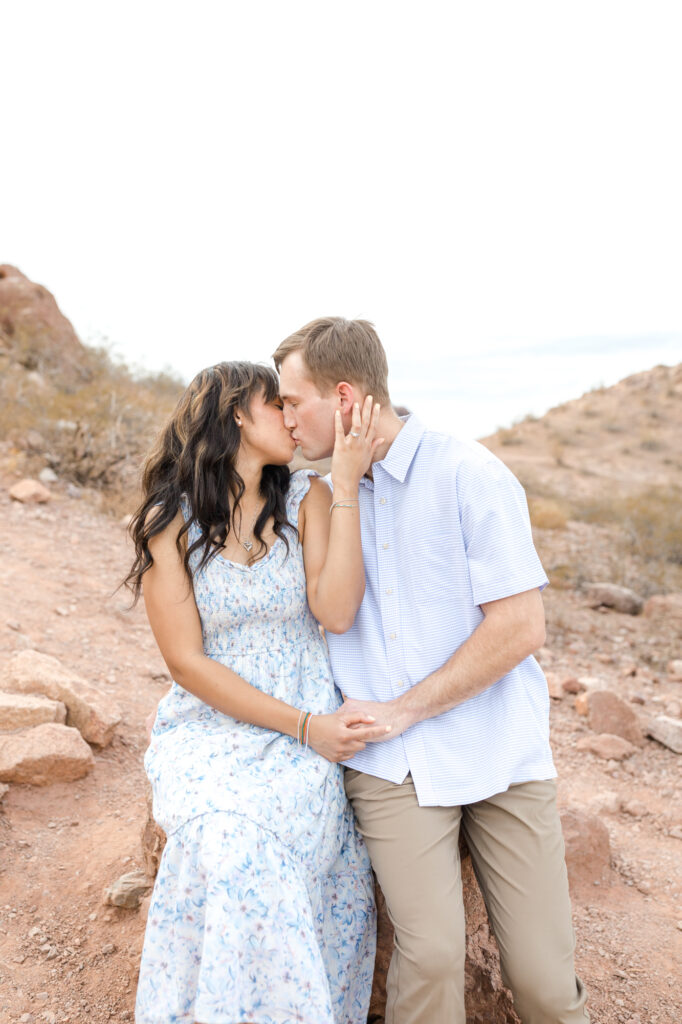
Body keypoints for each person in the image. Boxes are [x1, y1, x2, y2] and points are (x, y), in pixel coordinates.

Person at [274, 318, 591, 1024]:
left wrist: (409, 707)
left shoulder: (470, 473)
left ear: (346, 396)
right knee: (434, 955)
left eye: (294, 402)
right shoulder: (314, 498)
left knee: (542, 981)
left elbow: (521, 626)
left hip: (498, 748)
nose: (285, 419)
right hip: (390, 763)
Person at [125, 361, 389, 1024]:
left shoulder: (309, 498)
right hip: (212, 721)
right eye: (281, 406)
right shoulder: (170, 520)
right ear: (239, 413)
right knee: (225, 835)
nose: (294, 420)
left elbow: (334, 613)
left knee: (268, 837)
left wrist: (347, 487)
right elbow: (185, 662)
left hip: (303, 713)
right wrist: (303, 726)